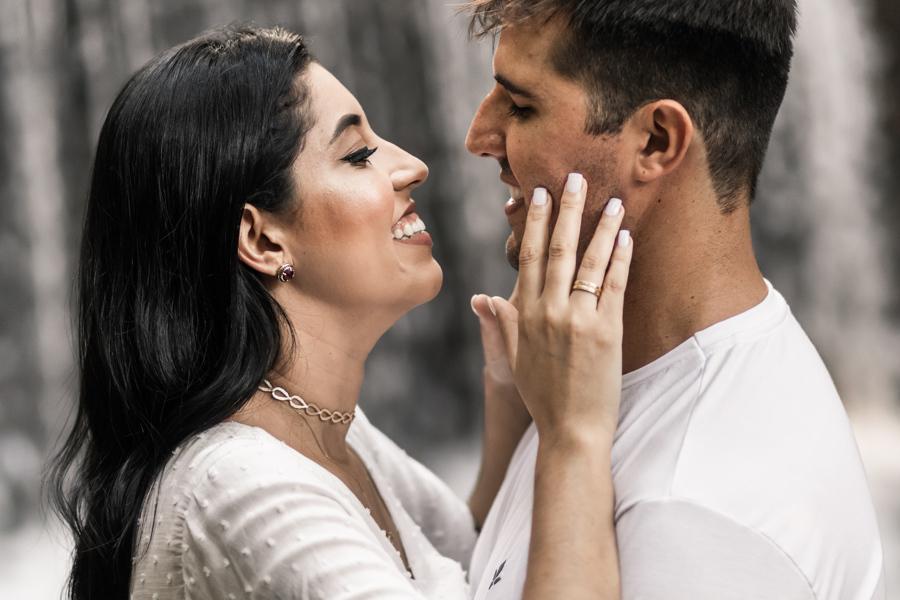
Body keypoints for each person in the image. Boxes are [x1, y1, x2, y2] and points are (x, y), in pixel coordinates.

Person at [48, 24, 633, 600]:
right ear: (263, 240)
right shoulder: (238, 490)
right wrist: (572, 434)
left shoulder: (333, 433)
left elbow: (475, 559)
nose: (412, 166)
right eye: (359, 154)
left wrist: (514, 395)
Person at [462, 1, 886, 599]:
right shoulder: (595, 380)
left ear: (657, 141)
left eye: (522, 106)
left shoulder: (695, 517)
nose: (478, 137)